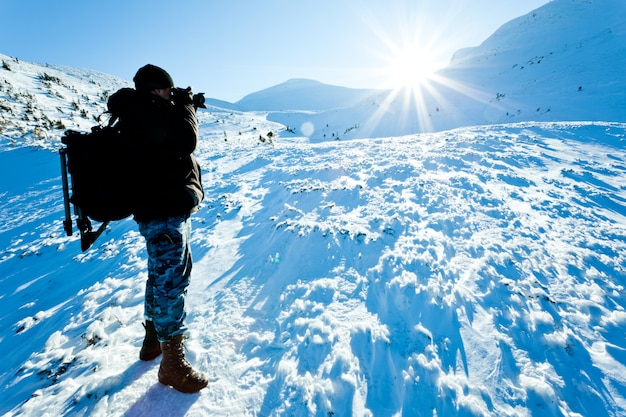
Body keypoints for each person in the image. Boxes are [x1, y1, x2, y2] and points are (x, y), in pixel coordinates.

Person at [108, 64, 207, 393]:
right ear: (155, 89)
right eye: (167, 89)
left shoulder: (146, 112)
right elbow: (186, 140)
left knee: (162, 275)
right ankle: (171, 364)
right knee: (170, 283)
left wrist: (183, 104)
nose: (171, 93)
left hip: (164, 209)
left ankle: (153, 339)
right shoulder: (145, 113)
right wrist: (187, 106)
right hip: (162, 210)